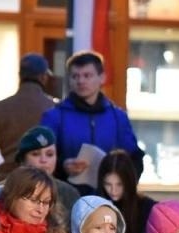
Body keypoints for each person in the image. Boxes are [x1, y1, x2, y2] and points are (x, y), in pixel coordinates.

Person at [39, 52, 143, 185]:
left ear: (102, 78)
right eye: (75, 76)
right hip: (66, 195)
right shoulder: (54, 116)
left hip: (108, 197)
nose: (81, 81)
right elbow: (39, 159)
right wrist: (61, 166)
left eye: (87, 75)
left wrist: (123, 188)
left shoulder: (118, 117)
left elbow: (134, 158)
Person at [0, 53, 56, 178]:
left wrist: (1, 165)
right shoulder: (54, 108)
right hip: (43, 181)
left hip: (7, 179)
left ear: (20, 76)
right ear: (44, 77)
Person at [98, 150, 156, 233]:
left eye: (119, 184)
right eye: (108, 184)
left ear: (129, 182)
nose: (113, 191)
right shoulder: (95, 206)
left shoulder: (148, 209)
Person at [13, 126, 82, 224]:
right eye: (35, 154)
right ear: (22, 160)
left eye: (49, 154)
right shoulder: (6, 189)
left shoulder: (69, 193)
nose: (44, 160)